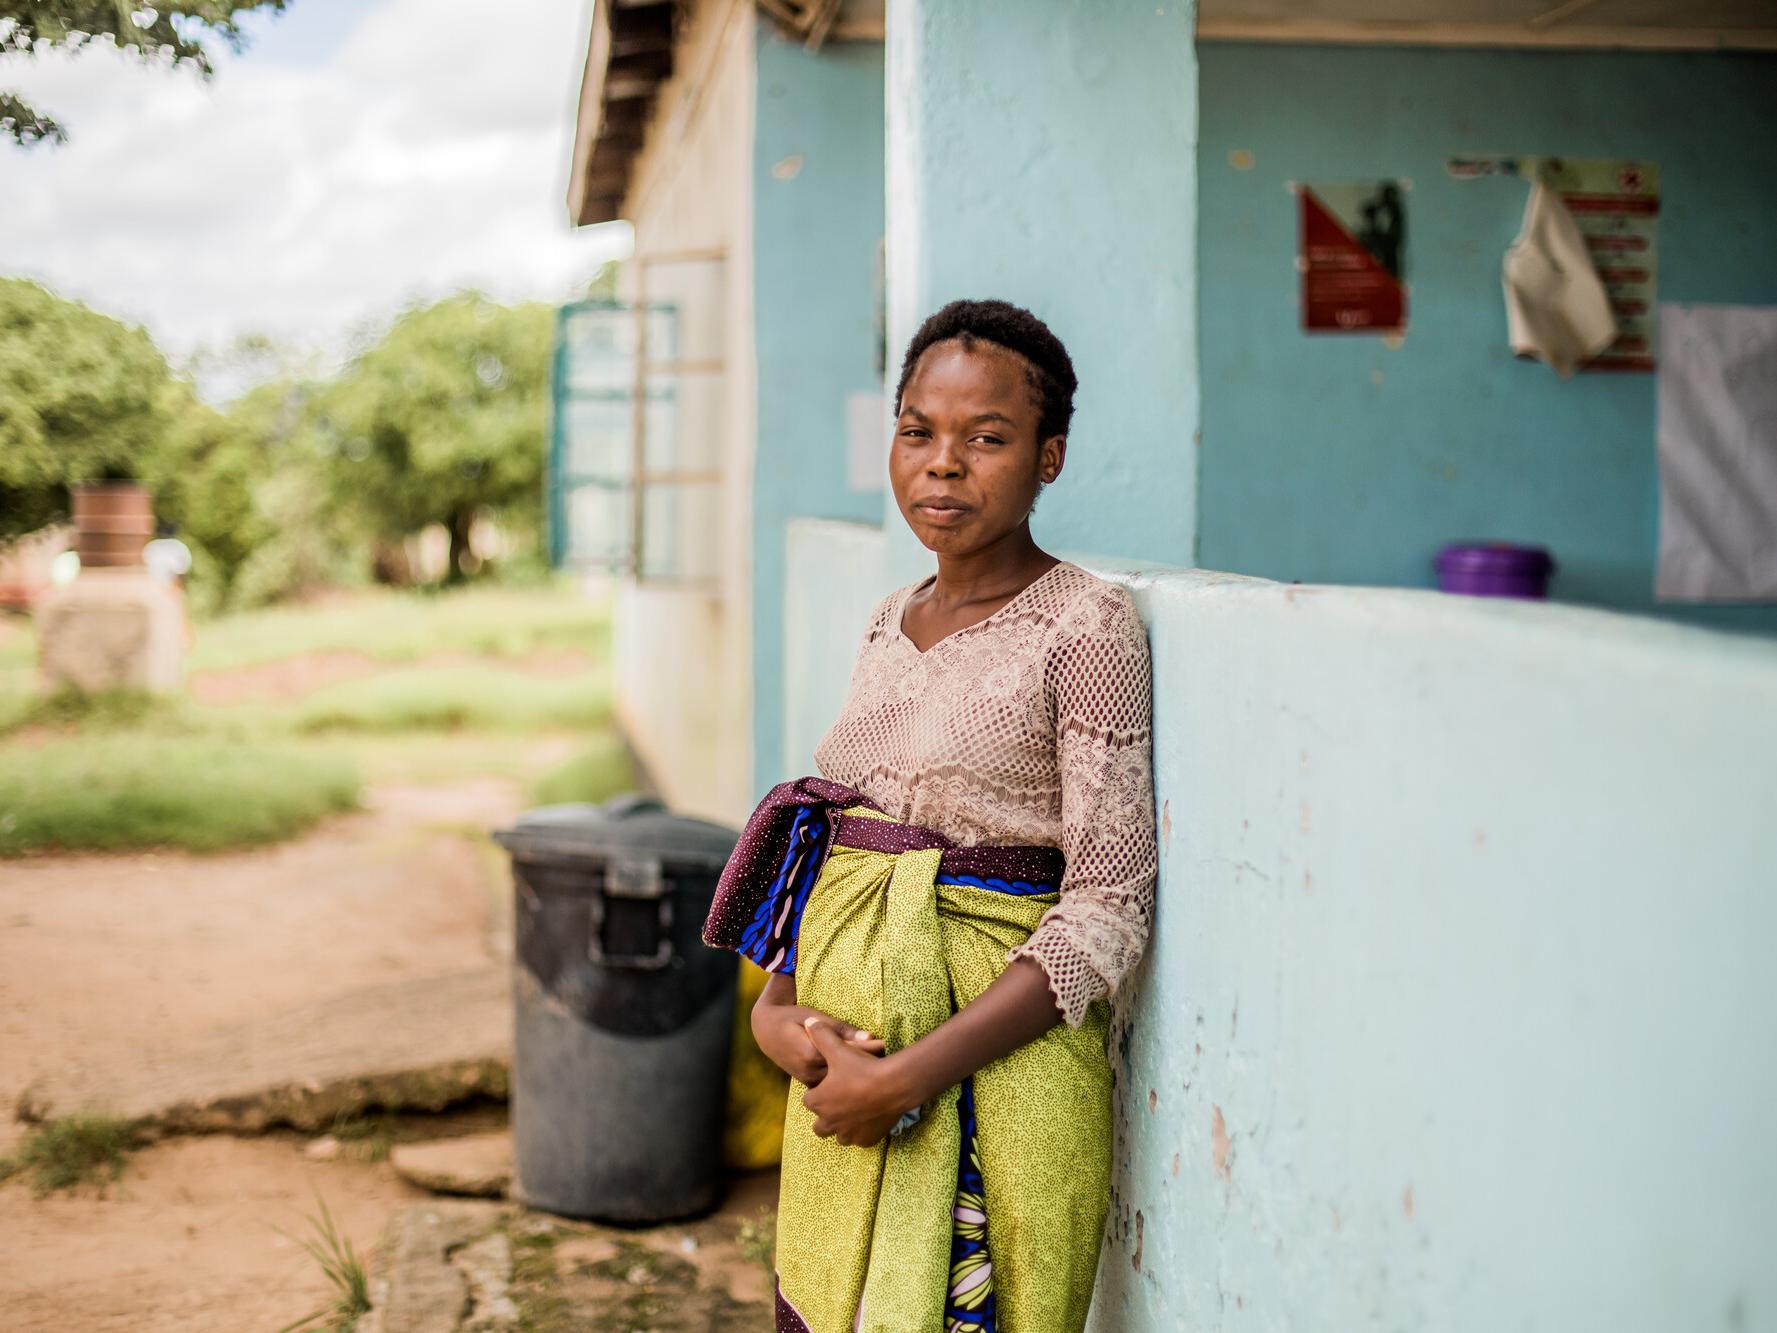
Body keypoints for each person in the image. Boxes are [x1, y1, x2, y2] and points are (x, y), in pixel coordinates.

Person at [703, 299, 1156, 1332]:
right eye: (918, 431)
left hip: (990, 1076)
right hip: (849, 1066)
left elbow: (1108, 907)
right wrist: (781, 1013)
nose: (943, 464)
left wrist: (906, 1077)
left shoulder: (1085, 625)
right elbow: (841, 844)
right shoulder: (885, 620)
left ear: (1049, 458)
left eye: (986, 438)